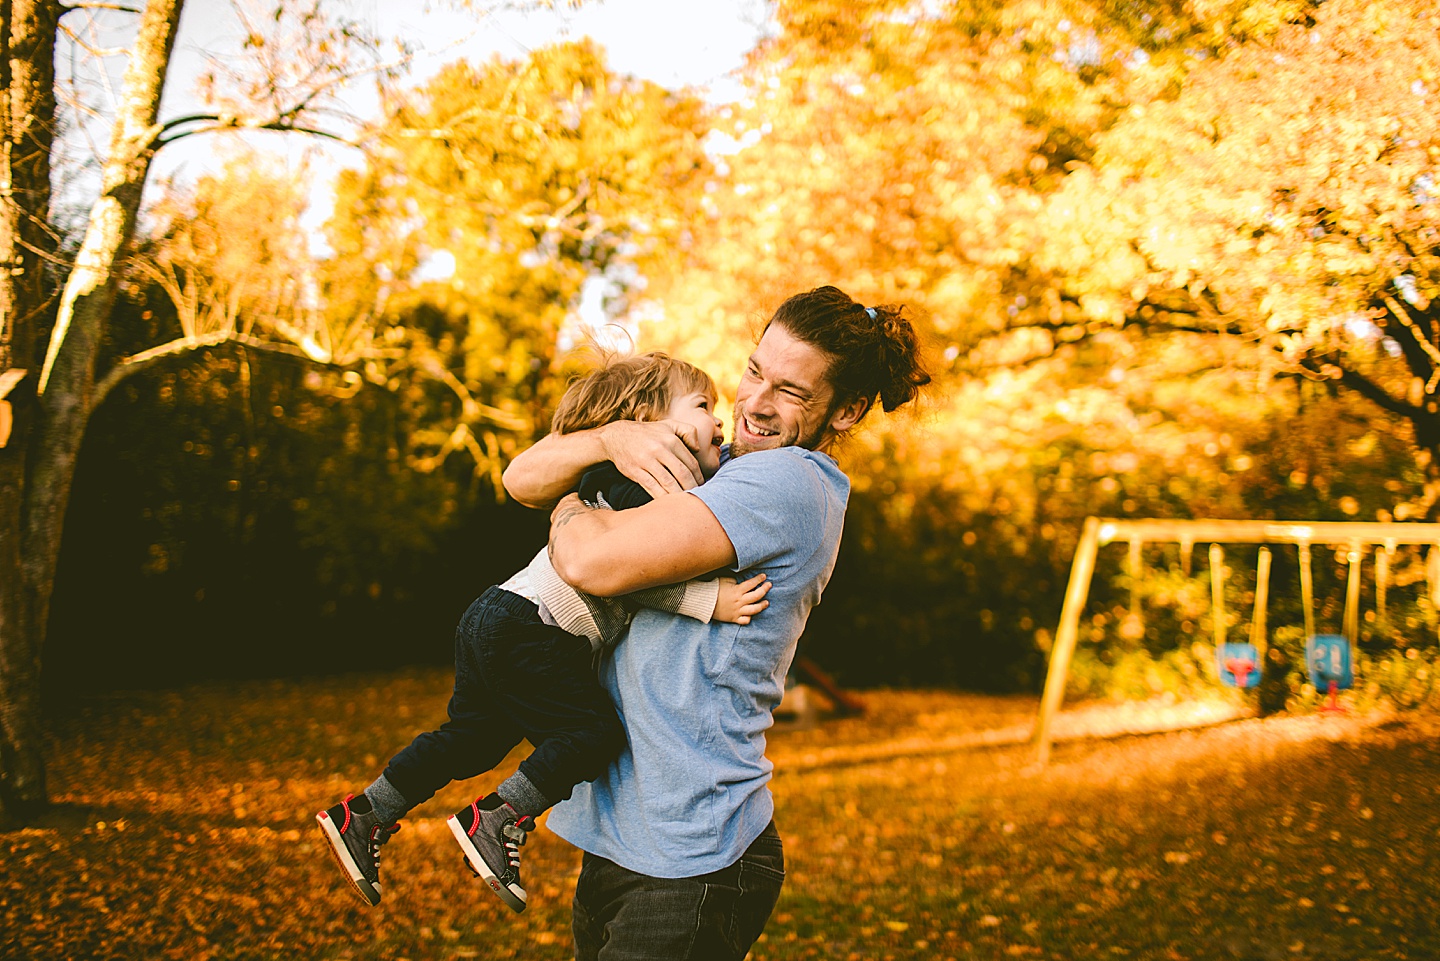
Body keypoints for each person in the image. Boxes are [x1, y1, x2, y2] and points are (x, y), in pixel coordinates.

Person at [503, 285, 931, 960]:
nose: (755, 402)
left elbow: (590, 560)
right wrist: (608, 436)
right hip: (630, 839)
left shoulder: (788, 485)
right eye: (755, 370)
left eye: (790, 390)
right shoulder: (722, 467)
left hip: (692, 856)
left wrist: (571, 505)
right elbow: (519, 477)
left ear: (845, 410)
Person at [315, 353, 773, 912]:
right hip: (531, 628)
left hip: (497, 615)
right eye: (704, 407)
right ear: (650, 421)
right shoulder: (638, 487)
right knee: (592, 733)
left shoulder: (617, 480)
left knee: (473, 738)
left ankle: (364, 814)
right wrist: (709, 599)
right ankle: (498, 818)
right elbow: (622, 578)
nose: (719, 422)